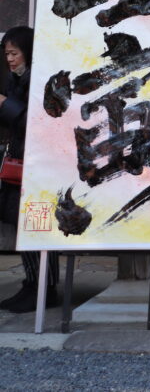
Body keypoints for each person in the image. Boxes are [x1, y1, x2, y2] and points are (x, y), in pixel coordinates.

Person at [0, 26, 59, 313]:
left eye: (14, 53)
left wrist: (5, 105)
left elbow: (38, 123)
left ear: (28, 51)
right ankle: (33, 284)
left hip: (38, 164)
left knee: (37, 226)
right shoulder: (17, 78)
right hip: (21, 163)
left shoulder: (40, 78)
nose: (9, 59)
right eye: (7, 54)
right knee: (25, 226)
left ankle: (44, 288)